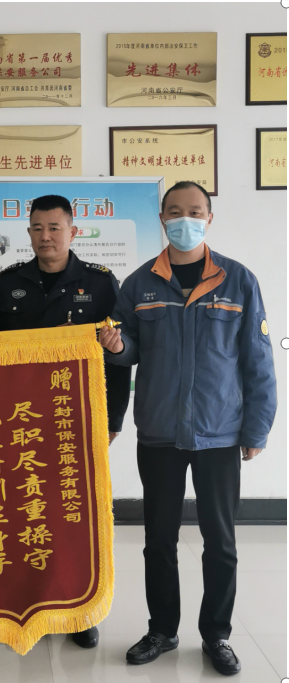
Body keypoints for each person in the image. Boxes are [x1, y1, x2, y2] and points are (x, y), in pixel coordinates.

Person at [99, 181, 277, 676]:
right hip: (159, 432)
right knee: (159, 539)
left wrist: (257, 429)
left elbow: (258, 361)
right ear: (162, 218)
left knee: (221, 541)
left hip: (220, 432)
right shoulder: (139, 283)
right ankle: (162, 629)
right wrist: (117, 348)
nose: (185, 220)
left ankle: (217, 634)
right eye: (175, 212)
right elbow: (129, 349)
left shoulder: (238, 281)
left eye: (195, 212)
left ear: (209, 218)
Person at [0, 194, 131, 650]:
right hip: (19, 422)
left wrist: (112, 418)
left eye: (55, 228)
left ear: (73, 231)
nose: (46, 236)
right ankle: (27, 598)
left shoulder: (100, 283)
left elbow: (117, 359)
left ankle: (76, 610)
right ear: (28, 233)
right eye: (37, 228)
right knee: (24, 511)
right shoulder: (9, 282)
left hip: (77, 421)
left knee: (73, 514)